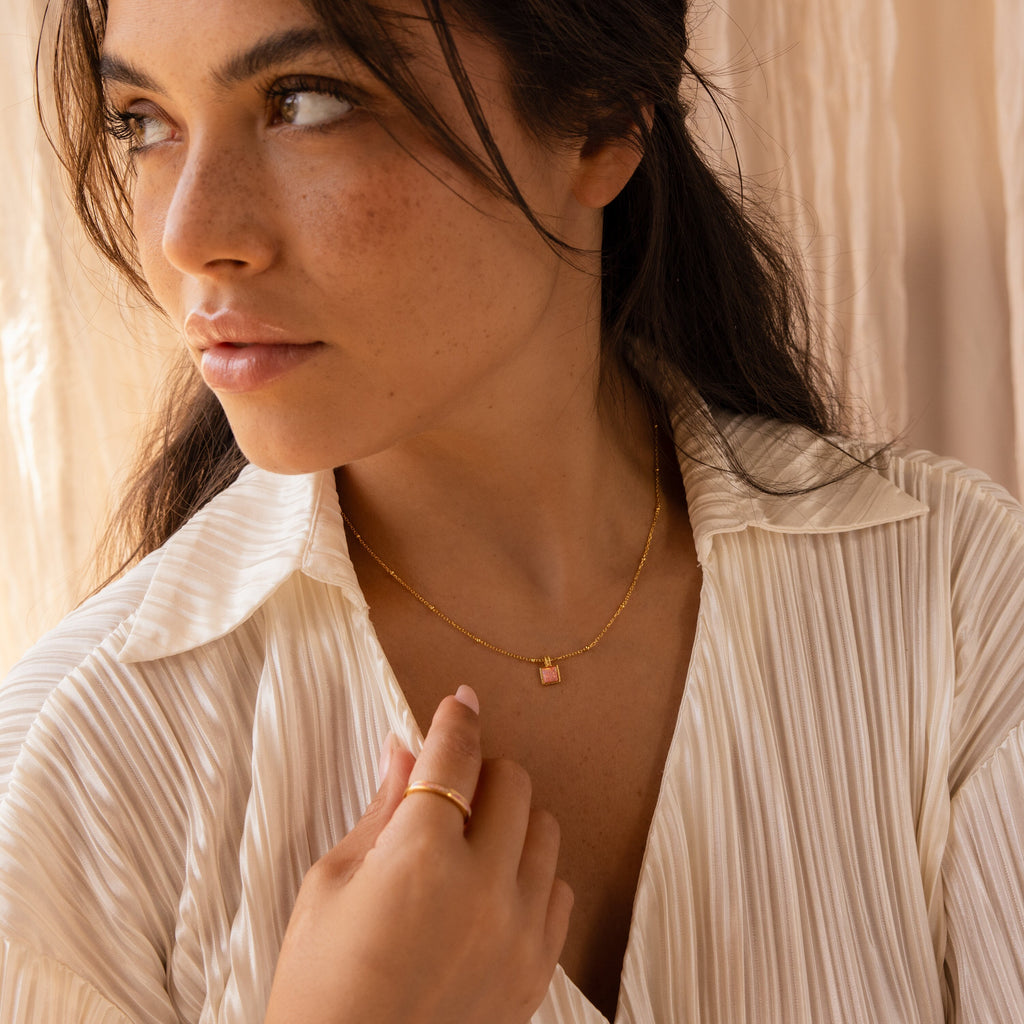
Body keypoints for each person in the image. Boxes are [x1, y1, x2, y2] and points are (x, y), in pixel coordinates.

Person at [2, 0, 1023, 1020]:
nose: (190, 235)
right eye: (142, 120)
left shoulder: (952, 599)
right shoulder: (67, 789)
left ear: (602, 122)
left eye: (306, 101)